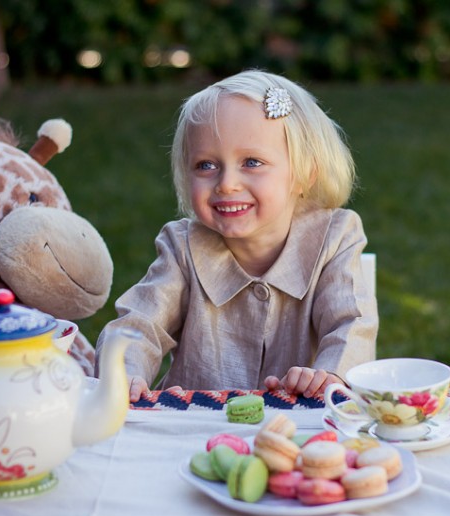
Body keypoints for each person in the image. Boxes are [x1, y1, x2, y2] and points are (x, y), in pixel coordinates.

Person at [96, 69, 378, 402]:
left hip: (297, 424)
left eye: (252, 162)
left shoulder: (332, 238)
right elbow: (139, 325)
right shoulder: (184, 247)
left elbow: (350, 323)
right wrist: (126, 372)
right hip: (196, 426)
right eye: (206, 165)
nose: (226, 183)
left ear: (304, 173)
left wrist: (329, 375)